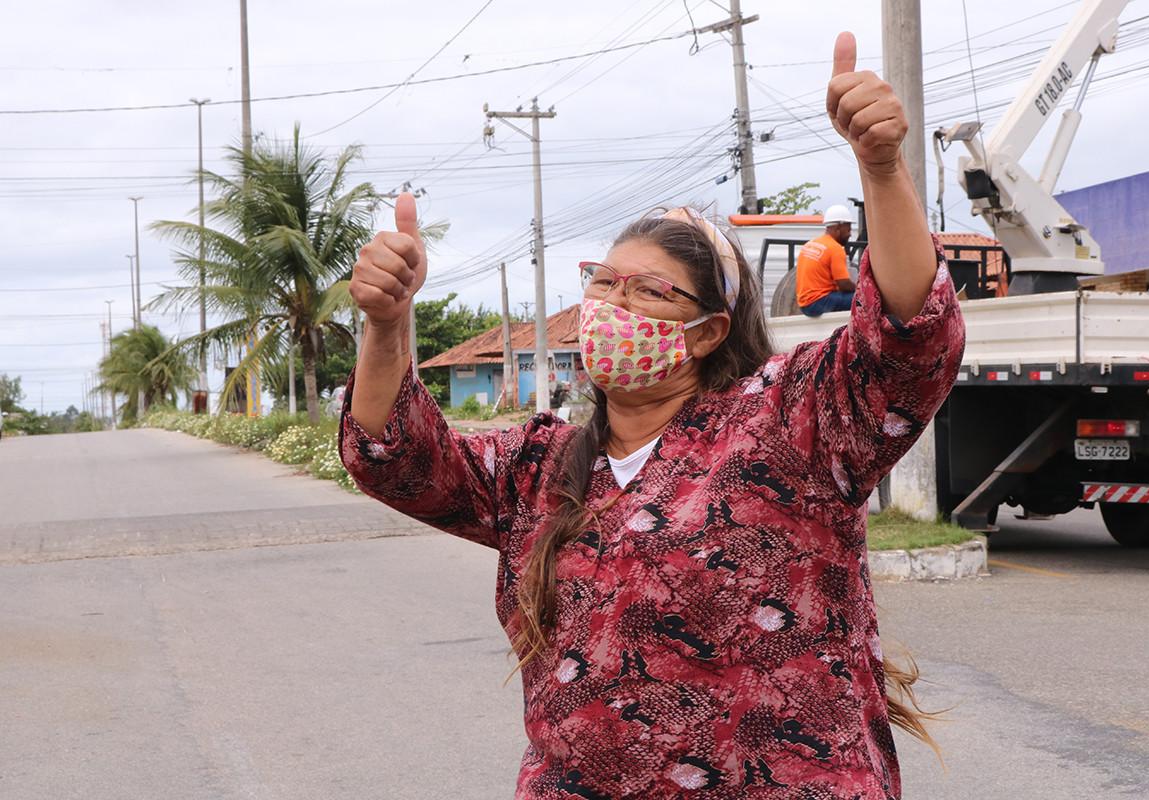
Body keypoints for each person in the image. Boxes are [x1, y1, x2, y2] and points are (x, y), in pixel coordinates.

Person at [341, 31, 964, 800]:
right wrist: (385, 323)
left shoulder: (786, 425)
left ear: (707, 331)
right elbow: (393, 457)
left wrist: (879, 168)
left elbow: (906, 345)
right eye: (603, 283)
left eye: (648, 292)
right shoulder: (540, 467)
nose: (610, 306)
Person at [795, 204, 856, 317]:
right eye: (848, 230)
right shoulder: (835, 249)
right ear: (838, 228)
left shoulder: (811, 243)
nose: (850, 234)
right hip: (818, 303)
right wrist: (861, 289)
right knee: (864, 300)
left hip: (804, 303)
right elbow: (844, 284)